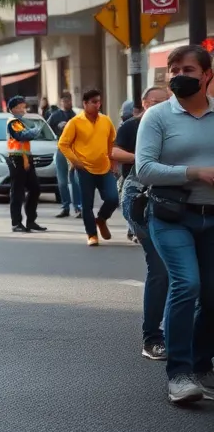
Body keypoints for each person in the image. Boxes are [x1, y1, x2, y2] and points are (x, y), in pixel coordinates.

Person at [136, 44, 214, 404]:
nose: (180, 77)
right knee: (187, 283)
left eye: (189, 71)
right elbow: (145, 169)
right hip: (171, 216)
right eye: (174, 70)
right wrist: (194, 172)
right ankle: (179, 372)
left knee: (211, 295)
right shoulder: (157, 117)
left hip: (211, 216)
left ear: (207, 75)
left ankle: (202, 366)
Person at [111, 85, 169, 361]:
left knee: (190, 277)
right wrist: (142, 158)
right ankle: (153, 337)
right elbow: (115, 153)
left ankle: (188, 339)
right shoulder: (134, 125)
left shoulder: (182, 122)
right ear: (144, 103)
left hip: (182, 202)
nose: (159, 104)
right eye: (154, 101)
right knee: (159, 266)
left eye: (164, 100)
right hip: (141, 198)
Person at [57, 88, 118, 246]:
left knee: (113, 199)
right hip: (84, 170)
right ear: (85, 104)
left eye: (99, 101)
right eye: (94, 102)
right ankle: (92, 235)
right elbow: (63, 144)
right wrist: (75, 161)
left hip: (104, 168)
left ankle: (101, 219)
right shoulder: (75, 122)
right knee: (87, 204)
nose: (98, 105)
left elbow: (111, 141)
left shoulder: (106, 120)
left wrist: (113, 163)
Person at [5, 96, 47, 233]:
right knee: (17, 192)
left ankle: (31, 221)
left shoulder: (21, 121)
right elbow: (22, 136)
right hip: (16, 159)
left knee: (35, 188)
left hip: (25, 158)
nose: (24, 109)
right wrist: (36, 130)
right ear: (14, 108)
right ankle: (16, 223)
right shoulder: (13, 122)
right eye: (22, 106)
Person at [47, 92, 81, 218]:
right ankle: (65, 206)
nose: (66, 103)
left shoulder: (76, 116)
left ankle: (78, 207)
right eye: (64, 101)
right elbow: (47, 129)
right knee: (62, 181)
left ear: (71, 101)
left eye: (68, 101)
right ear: (61, 102)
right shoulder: (55, 116)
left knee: (75, 180)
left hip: (74, 149)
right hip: (61, 149)